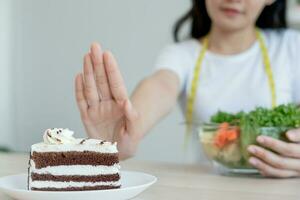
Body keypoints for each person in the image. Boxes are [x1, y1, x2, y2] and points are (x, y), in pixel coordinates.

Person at [74, 0, 300, 178]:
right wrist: (129, 126)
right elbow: (161, 85)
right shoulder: (182, 55)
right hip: (207, 188)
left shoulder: (291, 47)